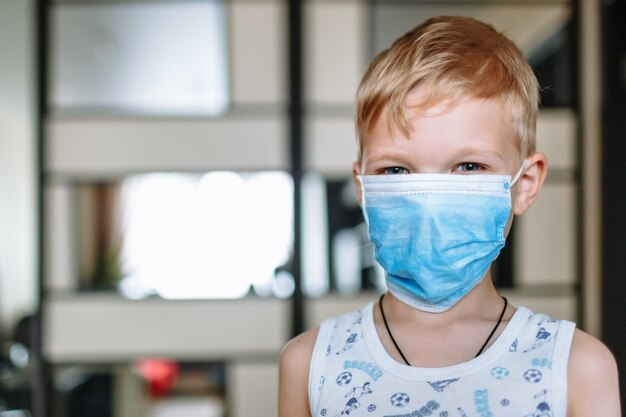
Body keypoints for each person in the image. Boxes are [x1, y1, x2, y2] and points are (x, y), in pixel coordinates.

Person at [279, 16, 621, 417]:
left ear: (524, 184)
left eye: (468, 167)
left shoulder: (577, 367)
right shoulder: (310, 365)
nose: (429, 201)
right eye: (396, 171)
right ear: (362, 187)